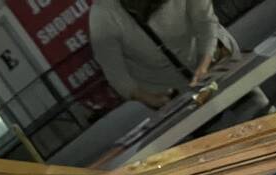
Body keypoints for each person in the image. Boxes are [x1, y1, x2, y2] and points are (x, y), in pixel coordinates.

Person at [90, 0, 241, 109]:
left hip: (218, 62)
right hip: (177, 97)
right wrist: (149, 98)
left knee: (252, 106)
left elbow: (206, 22)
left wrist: (205, 62)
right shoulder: (102, 14)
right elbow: (116, 74)